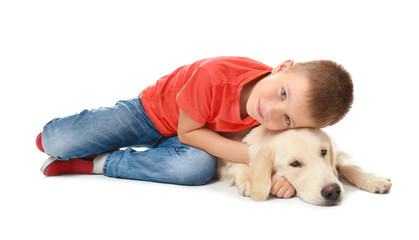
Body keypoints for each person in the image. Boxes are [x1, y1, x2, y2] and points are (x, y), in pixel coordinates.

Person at [36, 56, 353, 199]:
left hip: (195, 141)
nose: (270, 110)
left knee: (197, 169)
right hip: (150, 113)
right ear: (283, 67)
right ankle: (71, 138)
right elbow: (190, 132)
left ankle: (100, 163)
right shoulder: (214, 75)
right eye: (282, 93)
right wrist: (260, 161)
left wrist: (283, 172)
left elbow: (290, 151)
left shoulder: (276, 121)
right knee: (56, 141)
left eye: (287, 120)